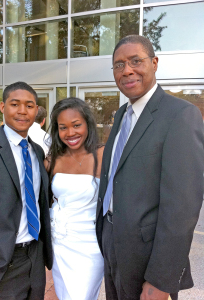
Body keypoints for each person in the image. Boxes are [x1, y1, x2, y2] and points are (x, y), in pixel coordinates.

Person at [96, 35, 204, 300]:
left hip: (148, 255)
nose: (127, 70)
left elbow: (182, 208)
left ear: (154, 63)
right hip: (112, 240)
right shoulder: (122, 114)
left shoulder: (180, 114)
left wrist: (161, 280)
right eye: (119, 65)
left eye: (136, 61)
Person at [0, 81, 52, 299]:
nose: (22, 111)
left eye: (29, 106)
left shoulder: (37, 152)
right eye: (15, 104)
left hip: (34, 258)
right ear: (3, 107)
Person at [44, 97, 104, 300]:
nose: (70, 133)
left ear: (88, 124)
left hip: (90, 246)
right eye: (63, 127)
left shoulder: (103, 155)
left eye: (76, 125)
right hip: (59, 244)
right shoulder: (53, 159)